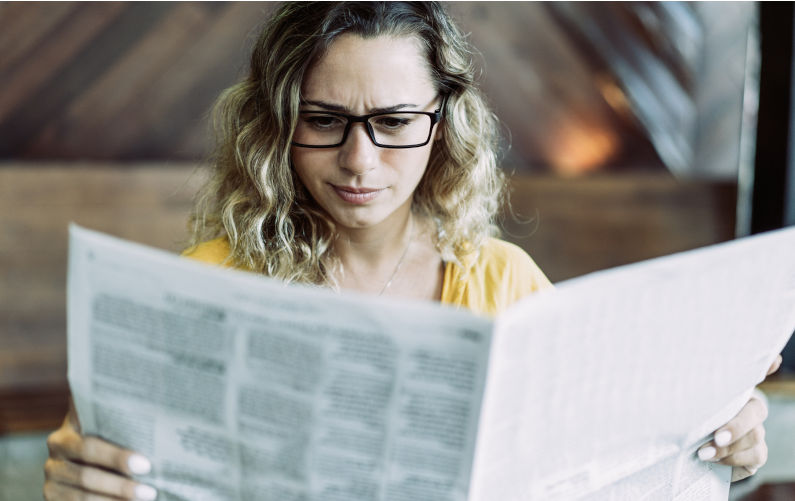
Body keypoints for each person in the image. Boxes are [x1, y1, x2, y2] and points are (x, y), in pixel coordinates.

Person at [44, 2, 779, 499]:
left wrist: (724, 444)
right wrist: (78, 485)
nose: (359, 162)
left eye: (394, 122)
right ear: (276, 125)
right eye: (323, 120)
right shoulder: (204, 283)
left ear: (443, 124)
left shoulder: (504, 282)